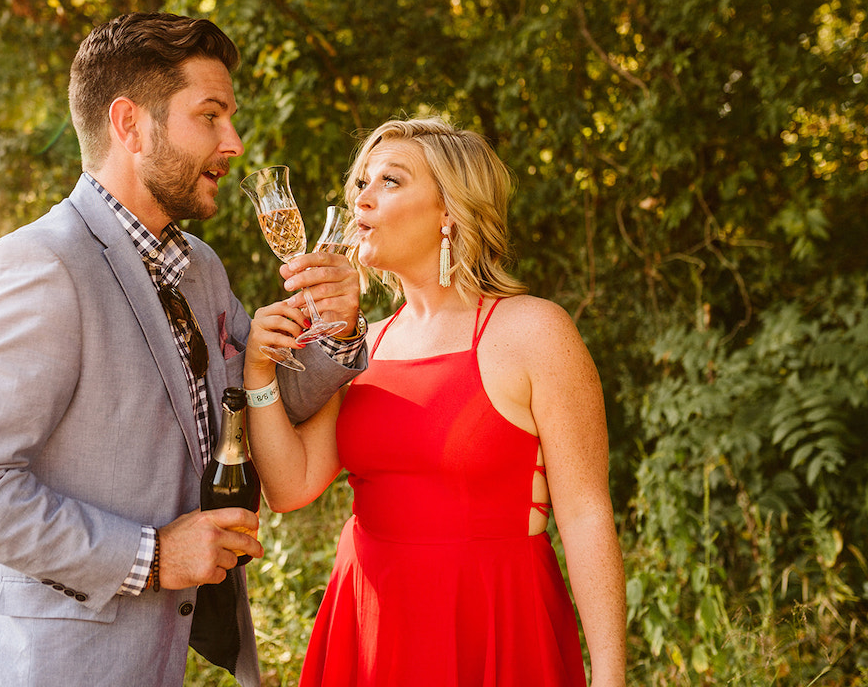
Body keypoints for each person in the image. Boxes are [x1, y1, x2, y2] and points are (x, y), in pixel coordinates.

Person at [0, 12, 366, 687]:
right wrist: (152, 557)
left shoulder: (200, 268)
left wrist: (339, 329)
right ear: (129, 124)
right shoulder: (39, 266)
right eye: (209, 116)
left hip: (158, 658)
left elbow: (270, 395)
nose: (234, 142)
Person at [242, 117, 627, 686]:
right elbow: (290, 485)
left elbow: (587, 514)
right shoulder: (361, 344)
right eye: (361, 184)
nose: (361, 200)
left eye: (390, 181)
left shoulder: (535, 331)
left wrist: (611, 678)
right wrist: (259, 371)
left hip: (494, 620)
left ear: (450, 210)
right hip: (369, 624)